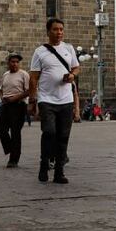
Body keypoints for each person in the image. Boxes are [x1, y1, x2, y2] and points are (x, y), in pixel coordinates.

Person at [28, 17, 80, 184]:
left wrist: (72, 75)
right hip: (46, 99)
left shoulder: (69, 49)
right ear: (48, 31)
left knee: (63, 136)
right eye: (56, 29)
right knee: (49, 132)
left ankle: (59, 172)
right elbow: (33, 77)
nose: (59, 33)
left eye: (61, 30)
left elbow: (76, 67)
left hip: (66, 99)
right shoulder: (40, 52)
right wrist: (32, 98)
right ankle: (44, 163)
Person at [0, 53, 30, 167]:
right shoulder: (6, 74)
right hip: (6, 104)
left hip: (18, 105)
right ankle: (11, 148)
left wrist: (14, 98)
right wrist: (2, 98)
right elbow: (1, 89)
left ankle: (13, 160)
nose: (15, 64)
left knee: (15, 132)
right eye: (13, 62)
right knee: (0, 128)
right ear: (8, 63)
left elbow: (28, 91)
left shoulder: (24, 74)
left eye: (17, 62)